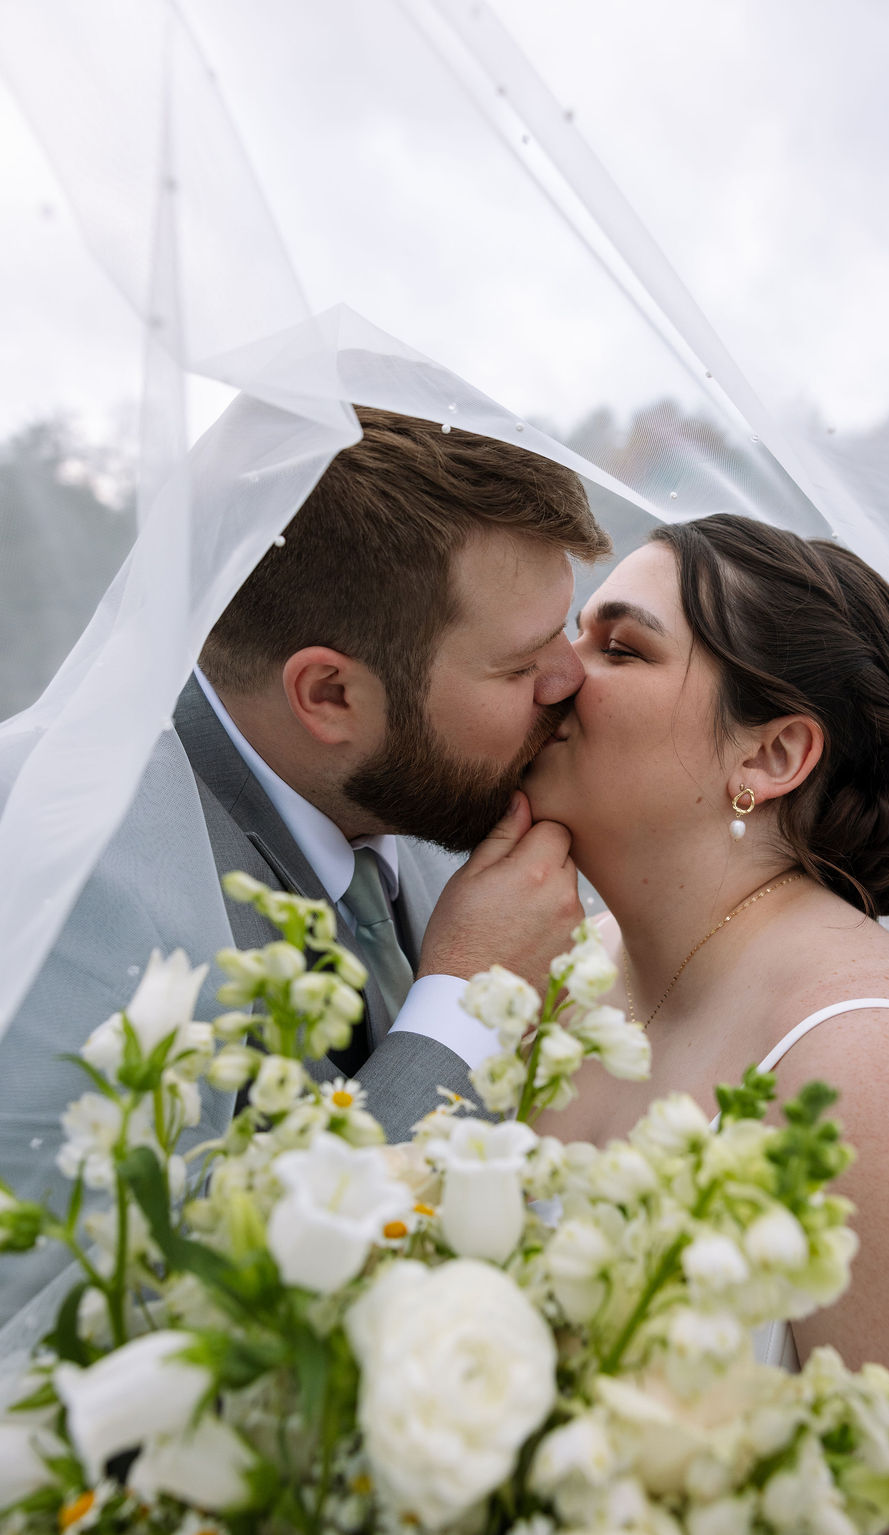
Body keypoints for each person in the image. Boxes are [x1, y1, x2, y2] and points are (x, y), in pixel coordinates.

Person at [0, 407, 610, 1329]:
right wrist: (463, 1007)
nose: (572, 679)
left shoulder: (416, 796)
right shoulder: (71, 871)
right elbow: (90, 1330)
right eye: (522, 662)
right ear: (329, 694)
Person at [525, 514, 889, 1411]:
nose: (556, 673)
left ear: (771, 753)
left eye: (620, 647)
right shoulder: (564, 966)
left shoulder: (879, 1068)